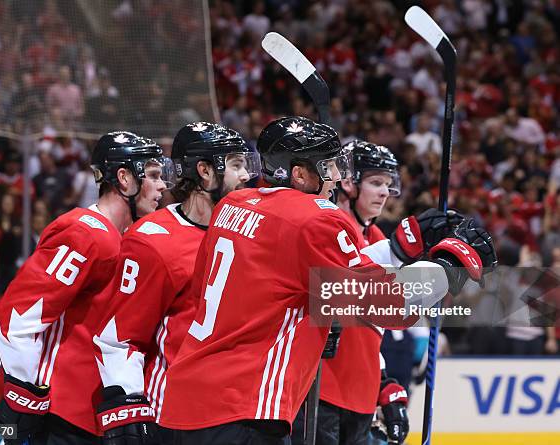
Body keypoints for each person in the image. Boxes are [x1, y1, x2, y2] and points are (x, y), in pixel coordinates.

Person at [154, 116, 496, 444]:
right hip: (244, 406)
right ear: (300, 173)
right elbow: (391, 304)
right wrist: (451, 264)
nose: (335, 178)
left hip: (183, 399)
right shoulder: (315, 219)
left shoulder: (234, 204)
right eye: (328, 166)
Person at [0, 131, 175, 444]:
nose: (162, 186)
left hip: (92, 413)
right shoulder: (85, 233)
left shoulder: (126, 238)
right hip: (59, 414)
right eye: (154, 175)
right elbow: (20, 314)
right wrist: (25, 390)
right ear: (124, 178)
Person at [93, 122, 260, 444]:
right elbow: (121, 337)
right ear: (205, 170)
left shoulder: (252, 232)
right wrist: (126, 405)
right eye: (237, 165)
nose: (246, 176)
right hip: (174, 417)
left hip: (236, 413)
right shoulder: (155, 240)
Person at [292, 140, 409, 445]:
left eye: (388, 184)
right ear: (348, 183)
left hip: (361, 393)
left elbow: (376, 320)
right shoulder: (325, 228)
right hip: (320, 386)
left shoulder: (379, 236)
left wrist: (384, 383)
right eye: (375, 182)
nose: (384, 192)